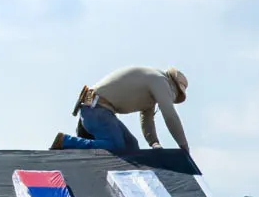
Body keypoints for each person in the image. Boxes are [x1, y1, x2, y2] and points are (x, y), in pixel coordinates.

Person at [52, 65, 190, 153]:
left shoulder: (153, 82)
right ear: (173, 86)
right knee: (116, 147)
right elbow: (170, 115)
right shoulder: (160, 81)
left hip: (98, 109)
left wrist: (154, 143)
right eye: (175, 96)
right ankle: (66, 142)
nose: (172, 99)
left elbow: (146, 117)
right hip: (96, 109)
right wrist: (184, 147)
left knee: (132, 148)